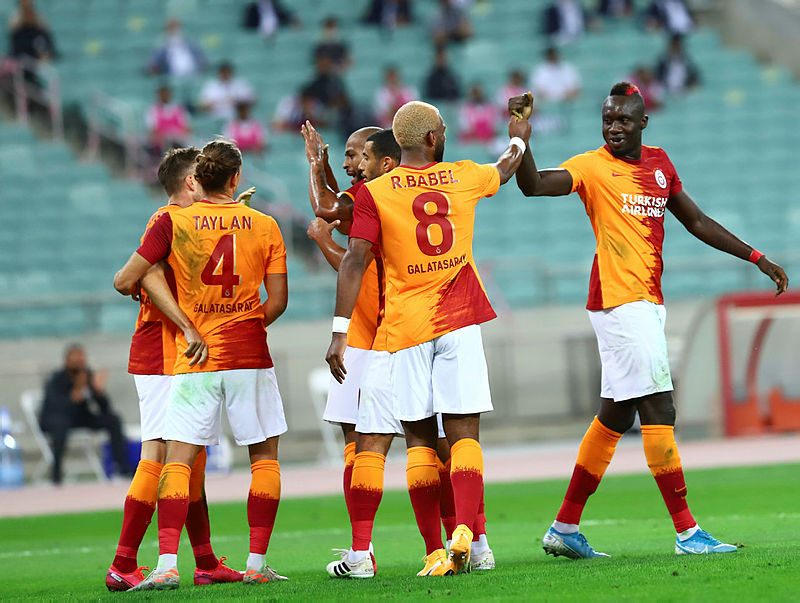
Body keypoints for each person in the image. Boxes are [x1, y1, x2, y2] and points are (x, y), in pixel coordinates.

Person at [509, 82, 788, 559]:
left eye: (623, 119)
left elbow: (697, 221)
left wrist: (756, 257)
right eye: (607, 119)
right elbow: (533, 185)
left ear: (642, 122)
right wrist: (521, 136)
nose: (613, 127)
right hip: (621, 302)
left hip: (645, 302)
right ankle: (687, 533)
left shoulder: (660, 163)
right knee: (660, 408)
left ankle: (565, 527)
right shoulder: (592, 167)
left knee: (616, 416)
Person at [326, 100, 530, 575]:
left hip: (406, 328)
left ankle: (435, 551)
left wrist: (339, 332)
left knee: (418, 439)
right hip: (459, 320)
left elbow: (354, 259)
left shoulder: (375, 191)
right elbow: (506, 166)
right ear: (434, 138)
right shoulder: (463, 175)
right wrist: (519, 135)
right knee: (463, 436)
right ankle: (472, 541)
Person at [113, 140, 290, 589]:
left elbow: (148, 271)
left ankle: (189, 563)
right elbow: (133, 276)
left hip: (195, 355)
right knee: (173, 454)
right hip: (186, 349)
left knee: (183, 460)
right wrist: (212, 327)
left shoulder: (178, 222)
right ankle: (126, 562)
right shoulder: (176, 219)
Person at [106, 147, 241, 591]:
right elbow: (132, 277)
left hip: (181, 353)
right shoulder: (166, 220)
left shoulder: (188, 223)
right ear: (190, 182)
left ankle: (205, 561)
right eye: (202, 175)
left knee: (192, 458)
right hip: (164, 351)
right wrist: (186, 325)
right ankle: (123, 562)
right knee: (160, 454)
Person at [39, 344, 132, 485]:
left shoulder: (88, 376)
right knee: (60, 427)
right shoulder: (57, 379)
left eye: (81, 358)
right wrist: (76, 392)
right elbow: (55, 406)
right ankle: (56, 476)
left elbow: (105, 408)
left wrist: (98, 391)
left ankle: (121, 469)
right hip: (58, 419)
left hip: (80, 418)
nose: (79, 362)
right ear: (67, 360)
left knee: (113, 420)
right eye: (75, 358)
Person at [146, 85, 191, 155]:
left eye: (166, 93)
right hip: (161, 144)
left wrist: (177, 136)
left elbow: (187, 128)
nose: (165, 96)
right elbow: (152, 130)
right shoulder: (153, 110)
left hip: (178, 141)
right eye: (162, 94)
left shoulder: (179, 108)